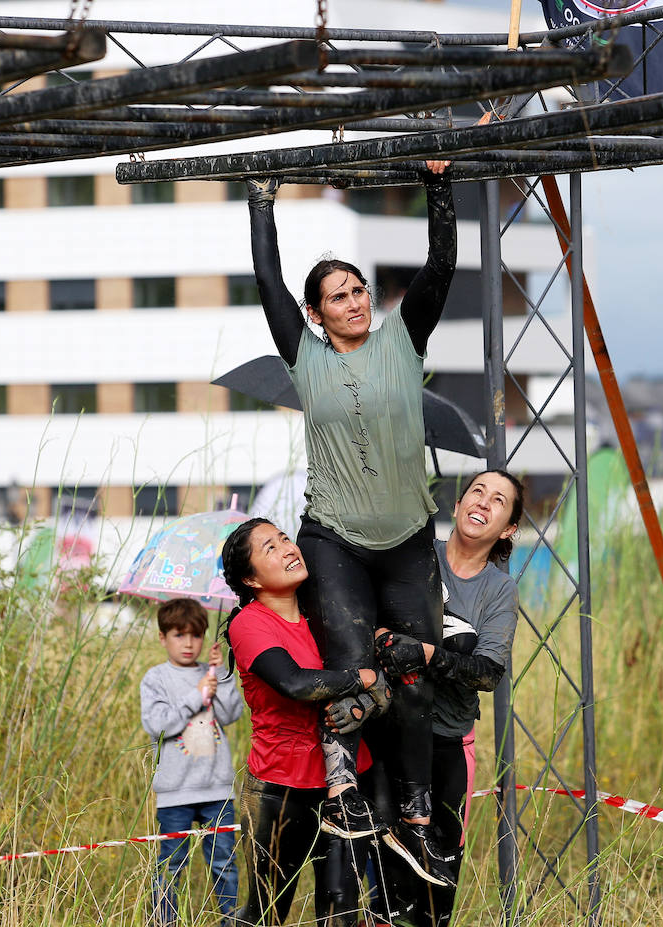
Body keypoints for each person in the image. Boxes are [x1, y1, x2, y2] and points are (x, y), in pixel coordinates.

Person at [246, 162, 457, 885]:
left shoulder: (403, 340)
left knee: (413, 674)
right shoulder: (304, 356)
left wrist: (439, 186)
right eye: (339, 295)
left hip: (407, 543)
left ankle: (420, 821)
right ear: (317, 314)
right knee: (349, 671)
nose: (355, 301)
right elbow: (269, 283)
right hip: (333, 538)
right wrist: (261, 200)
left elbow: (440, 267)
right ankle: (344, 793)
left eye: (360, 288)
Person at [220, 518, 394, 925]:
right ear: (251, 579)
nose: (286, 548)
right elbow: (295, 684)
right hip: (280, 791)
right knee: (267, 911)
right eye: (269, 548)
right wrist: (362, 679)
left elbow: (385, 691)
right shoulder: (250, 624)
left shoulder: (327, 615)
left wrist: (371, 699)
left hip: (346, 783)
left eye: (284, 538)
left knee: (342, 909)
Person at [373, 470, 523, 927]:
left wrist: (425, 653)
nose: (484, 501)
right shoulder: (417, 559)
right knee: (382, 878)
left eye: (499, 500)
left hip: (448, 746)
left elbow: (487, 673)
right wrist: (381, 638)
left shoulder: (499, 590)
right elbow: (368, 620)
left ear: (508, 528)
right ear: (456, 507)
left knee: (437, 885)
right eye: (477, 491)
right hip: (385, 736)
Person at [140, 597, 244, 927]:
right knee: (171, 865)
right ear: (163, 637)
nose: (188, 643)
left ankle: (231, 921)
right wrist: (195, 696)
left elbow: (231, 714)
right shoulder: (156, 679)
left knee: (224, 864)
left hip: (217, 791)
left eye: (196, 636)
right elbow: (158, 726)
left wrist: (221, 676)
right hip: (176, 794)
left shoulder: (211, 674)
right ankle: (164, 921)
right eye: (178, 635)